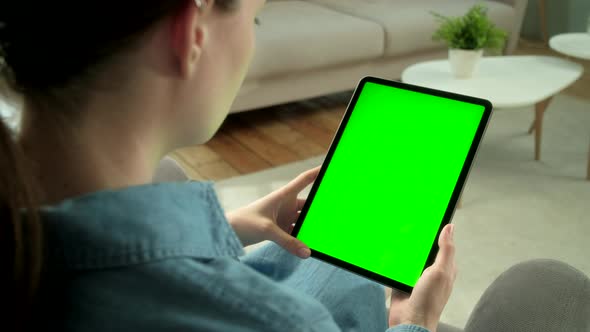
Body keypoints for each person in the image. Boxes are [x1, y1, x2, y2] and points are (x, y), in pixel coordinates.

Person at [0, 0, 457, 331]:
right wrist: (416, 322)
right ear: (191, 35)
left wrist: (228, 226)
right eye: (253, 17)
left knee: (334, 262)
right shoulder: (285, 324)